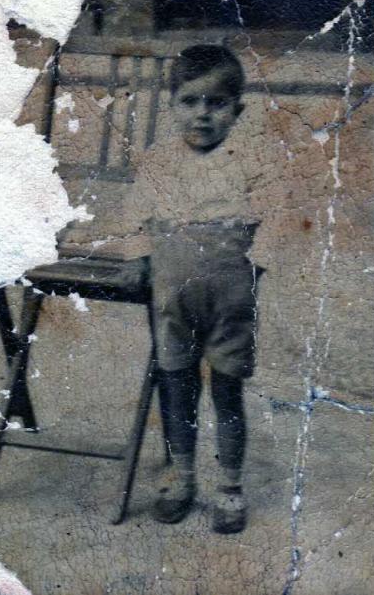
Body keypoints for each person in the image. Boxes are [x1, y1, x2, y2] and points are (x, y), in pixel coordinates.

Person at [123, 44, 264, 533]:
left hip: (230, 303)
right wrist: (138, 260)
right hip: (173, 301)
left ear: (237, 110)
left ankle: (230, 487)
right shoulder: (157, 162)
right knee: (178, 389)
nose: (202, 113)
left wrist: (256, 270)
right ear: (172, 105)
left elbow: (277, 226)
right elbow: (136, 217)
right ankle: (182, 479)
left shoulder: (249, 163)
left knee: (227, 393)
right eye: (190, 101)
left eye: (216, 103)